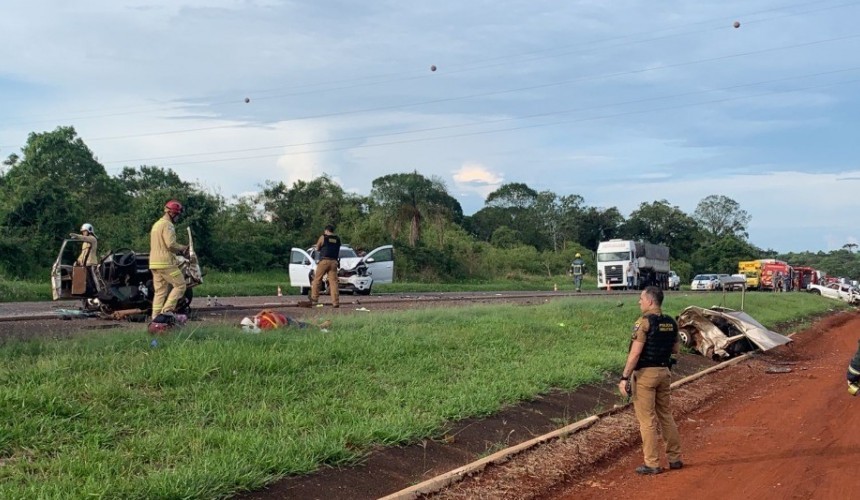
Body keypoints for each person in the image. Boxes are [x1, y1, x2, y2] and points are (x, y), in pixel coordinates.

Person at [618, 285, 683, 475]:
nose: (639, 302)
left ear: (650, 301)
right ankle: (675, 458)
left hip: (646, 375)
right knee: (666, 415)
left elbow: (635, 353)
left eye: (641, 298)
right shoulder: (671, 323)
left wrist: (624, 377)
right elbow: (676, 351)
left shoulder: (643, 323)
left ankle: (652, 463)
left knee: (646, 420)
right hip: (664, 373)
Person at [148, 200, 189, 323]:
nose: (178, 217)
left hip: (154, 263)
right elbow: (170, 244)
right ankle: (167, 311)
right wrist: (183, 248)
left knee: (160, 291)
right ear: (172, 213)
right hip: (166, 263)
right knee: (180, 285)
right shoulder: (168, 225)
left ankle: (155, 318)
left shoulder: (156, 224)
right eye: (178, 215)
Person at [310, 224, 341, 308]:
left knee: (317, 279)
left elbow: (317, 248)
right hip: (334, 262)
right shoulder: (337, 239)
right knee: (333, 282)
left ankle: (314, 299)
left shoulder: (323, 237)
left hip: (324, 261)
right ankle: (335, 302)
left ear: (326, 231)